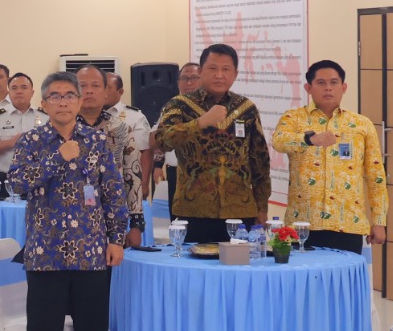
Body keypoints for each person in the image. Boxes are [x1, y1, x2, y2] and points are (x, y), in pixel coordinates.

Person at [6, 71, 128, 331]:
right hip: (46, 253)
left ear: (79, 101)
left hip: (92, 253)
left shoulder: (98, 140)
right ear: (44, 104)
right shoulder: (32, 141)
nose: (63, 102)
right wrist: (56, 158)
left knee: (93, 330)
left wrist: (117, 238)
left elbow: (113, 192)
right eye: (55, 96)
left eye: (69, 95)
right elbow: (16, 183)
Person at [154, 44, 271, 244]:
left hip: (240, 211)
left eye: (226, 69)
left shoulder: (247, 108)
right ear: (201, 71)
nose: (219, 75)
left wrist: (262, 207)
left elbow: (260, 159)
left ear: (235, 74)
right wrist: (200, 123)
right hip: (193, 210)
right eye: (212, 68)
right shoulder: (179, 105)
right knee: (194, 263)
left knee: (238, 263)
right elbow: (162, 140)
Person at [272, 60, 388, 254]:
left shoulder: (361, 124)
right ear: (308, 88)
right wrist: (309, 140)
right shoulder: (293, 118)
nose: (328, 88)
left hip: (348, 225)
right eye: (321, 83)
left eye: (334, 82)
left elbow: (376, 176)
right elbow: (279, 141)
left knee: (343, 274)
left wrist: (379, 221)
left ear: (344, 87)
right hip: (302, 225)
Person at [76, 66, 143, 243]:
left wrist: (136, 225)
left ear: (106, 92)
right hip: (70, 215)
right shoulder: (61, 128)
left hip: (112, 216)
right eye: (82, 85)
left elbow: (132, 175)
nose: (89, 91)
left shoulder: (121, 128)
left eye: (95, 85)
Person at [0, 72, 46, 199]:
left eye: (24, 87)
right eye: (14, 88)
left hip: (38, 180)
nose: (19, 91)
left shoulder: (45, 117)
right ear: (9, 92)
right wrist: (11, 143)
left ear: (32, 92)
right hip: (6, 180)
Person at [156, 63, 201, 204]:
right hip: (175, 172)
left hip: (202, 173)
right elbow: (160, 136)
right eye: (184, 79)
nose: (189, 83)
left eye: (194, 78)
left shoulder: (210, 108)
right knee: (176, 213)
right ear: (178, 83)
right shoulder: (171, 107)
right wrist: (157, 166)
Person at [105, 72, 154, 202]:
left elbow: (145, 151)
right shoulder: (88, 116)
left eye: (108, 87)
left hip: (126, 181)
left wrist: (143, 184)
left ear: (120, 91)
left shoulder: (134, 116)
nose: (103, 91)